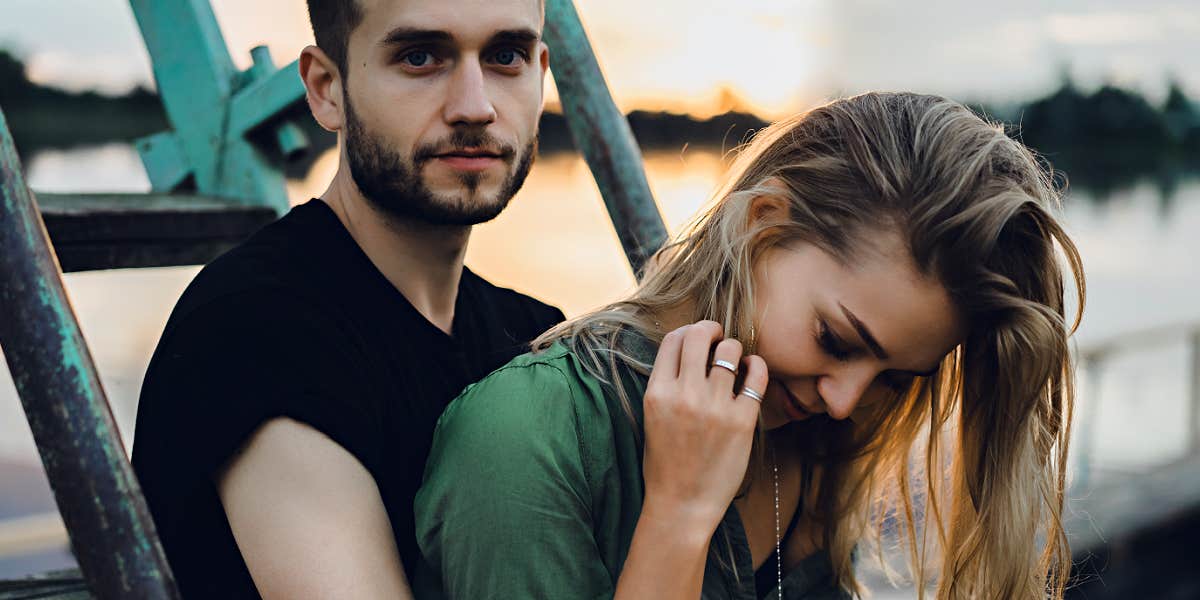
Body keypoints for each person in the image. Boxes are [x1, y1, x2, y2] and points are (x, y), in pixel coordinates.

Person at [416, 92, 1085, 599]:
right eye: (838, 339)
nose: (847, 401)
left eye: (897, 379)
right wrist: (678, 517)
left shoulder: (810, 439)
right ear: (764, 225)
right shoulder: (522, 438)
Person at [131, 0, 562, 597]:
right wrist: (680, 513)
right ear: (327, 88)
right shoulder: (255, 333)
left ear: (541, 72)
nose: (475, 106)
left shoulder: (534, 334)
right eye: (419, 57)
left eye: (506, 56)